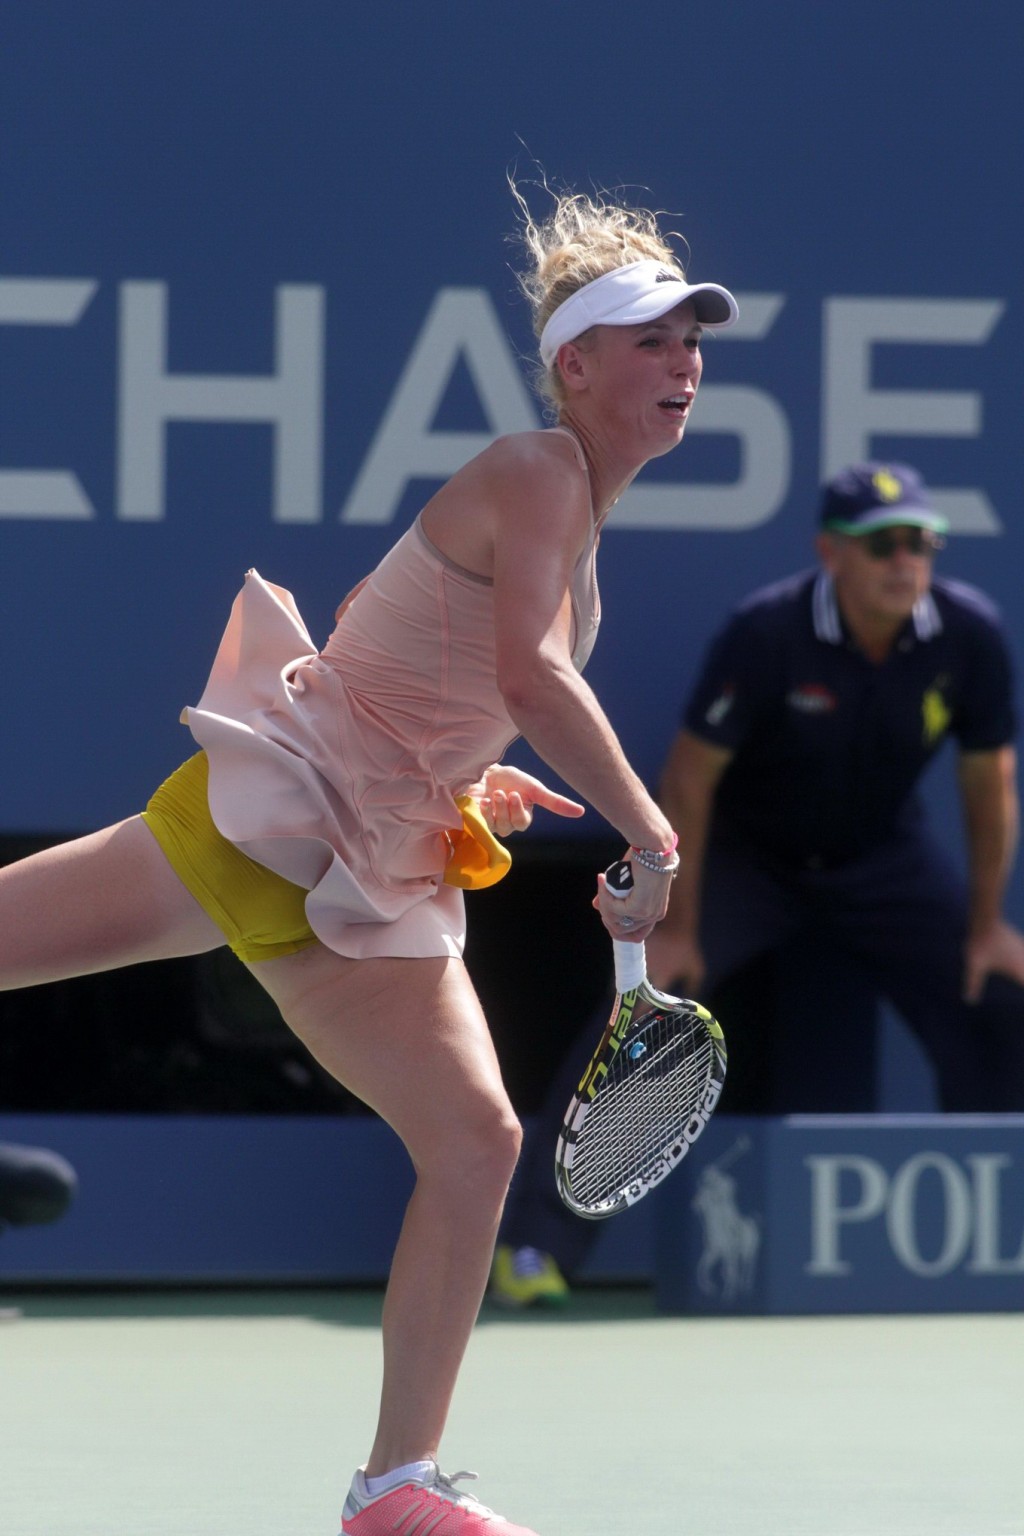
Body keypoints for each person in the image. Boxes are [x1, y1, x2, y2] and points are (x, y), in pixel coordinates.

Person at [0, 185, 737, 1534]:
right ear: (573, 364)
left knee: (474, 1140)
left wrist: (472, 773)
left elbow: (477, 677)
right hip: (275, 817)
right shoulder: (536, 471)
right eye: (649, 339)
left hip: (371, 881)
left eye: (693, 340)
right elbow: (530, 668)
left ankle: (395, 1487)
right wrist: (650, 825)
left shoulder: (582, 541)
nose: (682, 361)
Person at [492, 460, 1024, 1309]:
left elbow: (987, 782)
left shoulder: (969, 635)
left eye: (921, 542)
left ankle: (1004, 1235)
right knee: (650, 1004)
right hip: (748, 861)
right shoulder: (767, 631)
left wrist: (988, 925)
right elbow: (692, 781)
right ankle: (533, 1248)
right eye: (883, 543)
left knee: (998, 991)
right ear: (831, 554)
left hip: (883, 861)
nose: (905, 560)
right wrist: (678, 921)